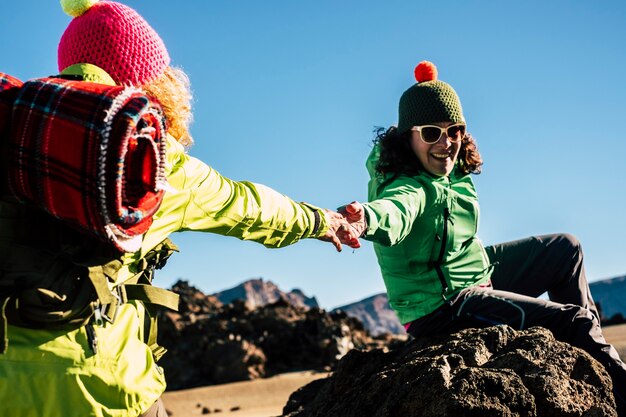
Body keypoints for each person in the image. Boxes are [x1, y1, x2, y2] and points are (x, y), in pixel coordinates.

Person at [0, 1, 359, 416]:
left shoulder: (13, 133)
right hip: (105, 389)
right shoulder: (156, 162)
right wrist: (320, 221)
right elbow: (249, 207)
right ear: (153, 80)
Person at [339, 60, 626, 414]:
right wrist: (364, 219)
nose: (446, 143)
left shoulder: (451, 173)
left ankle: (589, 368)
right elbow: (394, 211)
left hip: (475, 276)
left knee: (566, 248)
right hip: (443, 305)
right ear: (407, 137)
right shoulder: (408, 185)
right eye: (432, 132)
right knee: (573, 322)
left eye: (455, 130)